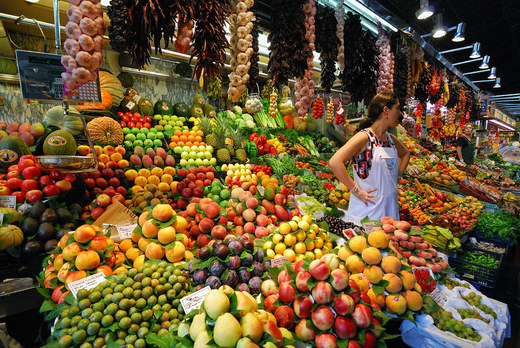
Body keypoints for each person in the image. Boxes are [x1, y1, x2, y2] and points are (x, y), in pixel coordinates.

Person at [329, 93, 411, 221]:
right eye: (398, 108)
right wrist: (355, 190)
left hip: (390, 209)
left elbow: (406, 153)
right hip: (367, 211)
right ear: (386, 110)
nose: (400, 113)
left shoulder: (391, 139)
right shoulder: (364, 137)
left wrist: (398, 174)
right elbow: (335, 162)